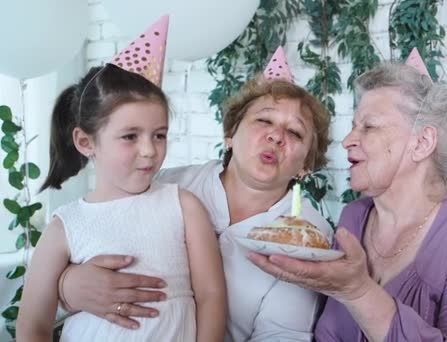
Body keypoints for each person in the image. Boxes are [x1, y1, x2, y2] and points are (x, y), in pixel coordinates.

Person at [249, 58, 447, 341]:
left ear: (423, 142)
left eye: (369, 126)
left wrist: (358, 291)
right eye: (354, 125)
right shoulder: (355, 216)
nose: (348, 140)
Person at [54, 47, 334, 341]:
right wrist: (66, 289)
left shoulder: (310, 237)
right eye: (264, 121)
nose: (276, 136)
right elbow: (80, 247)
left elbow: (282, 335)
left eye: (295, 133)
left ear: (306, 165)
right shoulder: (166, 186)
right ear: (230, 134)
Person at [16, 61, 226, 341]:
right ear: (85, 141)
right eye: (130, 136)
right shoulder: (64, 227)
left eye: (159, 135)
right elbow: (32, 326)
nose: (150, 150)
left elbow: (211, 296)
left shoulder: (184, 206)